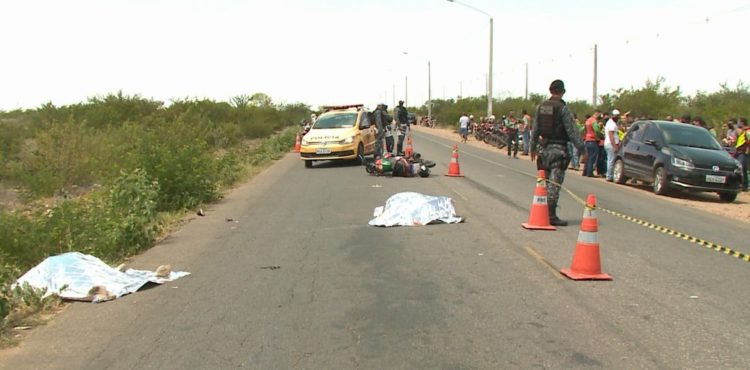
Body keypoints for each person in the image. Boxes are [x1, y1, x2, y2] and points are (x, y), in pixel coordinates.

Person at [529, 80, 584, 226]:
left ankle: (542, 211)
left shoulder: (541, 107)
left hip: (543, 150)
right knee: (554, 184)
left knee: (544, 183)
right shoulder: (563, 109)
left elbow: (535, 129)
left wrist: (532, 148)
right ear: (562, 92)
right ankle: (550, 215)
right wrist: (582, 149)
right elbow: (572, 131)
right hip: (558, 150)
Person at [604, 109, 622, 182]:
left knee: (610, 160)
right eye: (615, 115)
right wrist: (615, 146)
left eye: (617, 116)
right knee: (611, 160)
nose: (616, 117)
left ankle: (609, 175)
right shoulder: (611, 124)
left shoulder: (612, 123)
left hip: (609, 143)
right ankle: (609, 176)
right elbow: (611, 136)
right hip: (610, 144)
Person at [582, 110, 600, 177]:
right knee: (592, 157)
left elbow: (582, 129)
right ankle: (589, 173)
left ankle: (585, 172)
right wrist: (599, 136)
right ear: (597, 114)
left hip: (587, 140)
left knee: (587, 157)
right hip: (592, 140)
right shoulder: (594, 121)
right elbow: (597, 130)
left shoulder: (588, 120)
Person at [736, 118, 749, 191]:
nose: (738, 123)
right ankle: (742, 185)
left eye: (739, 122)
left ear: (742, 123)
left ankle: (744, 185)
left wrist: (747, 150)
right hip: (739, 151)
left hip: (744, 152)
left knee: (742, 168)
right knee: (741, 168)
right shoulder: (743, 131)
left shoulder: (747, 131)